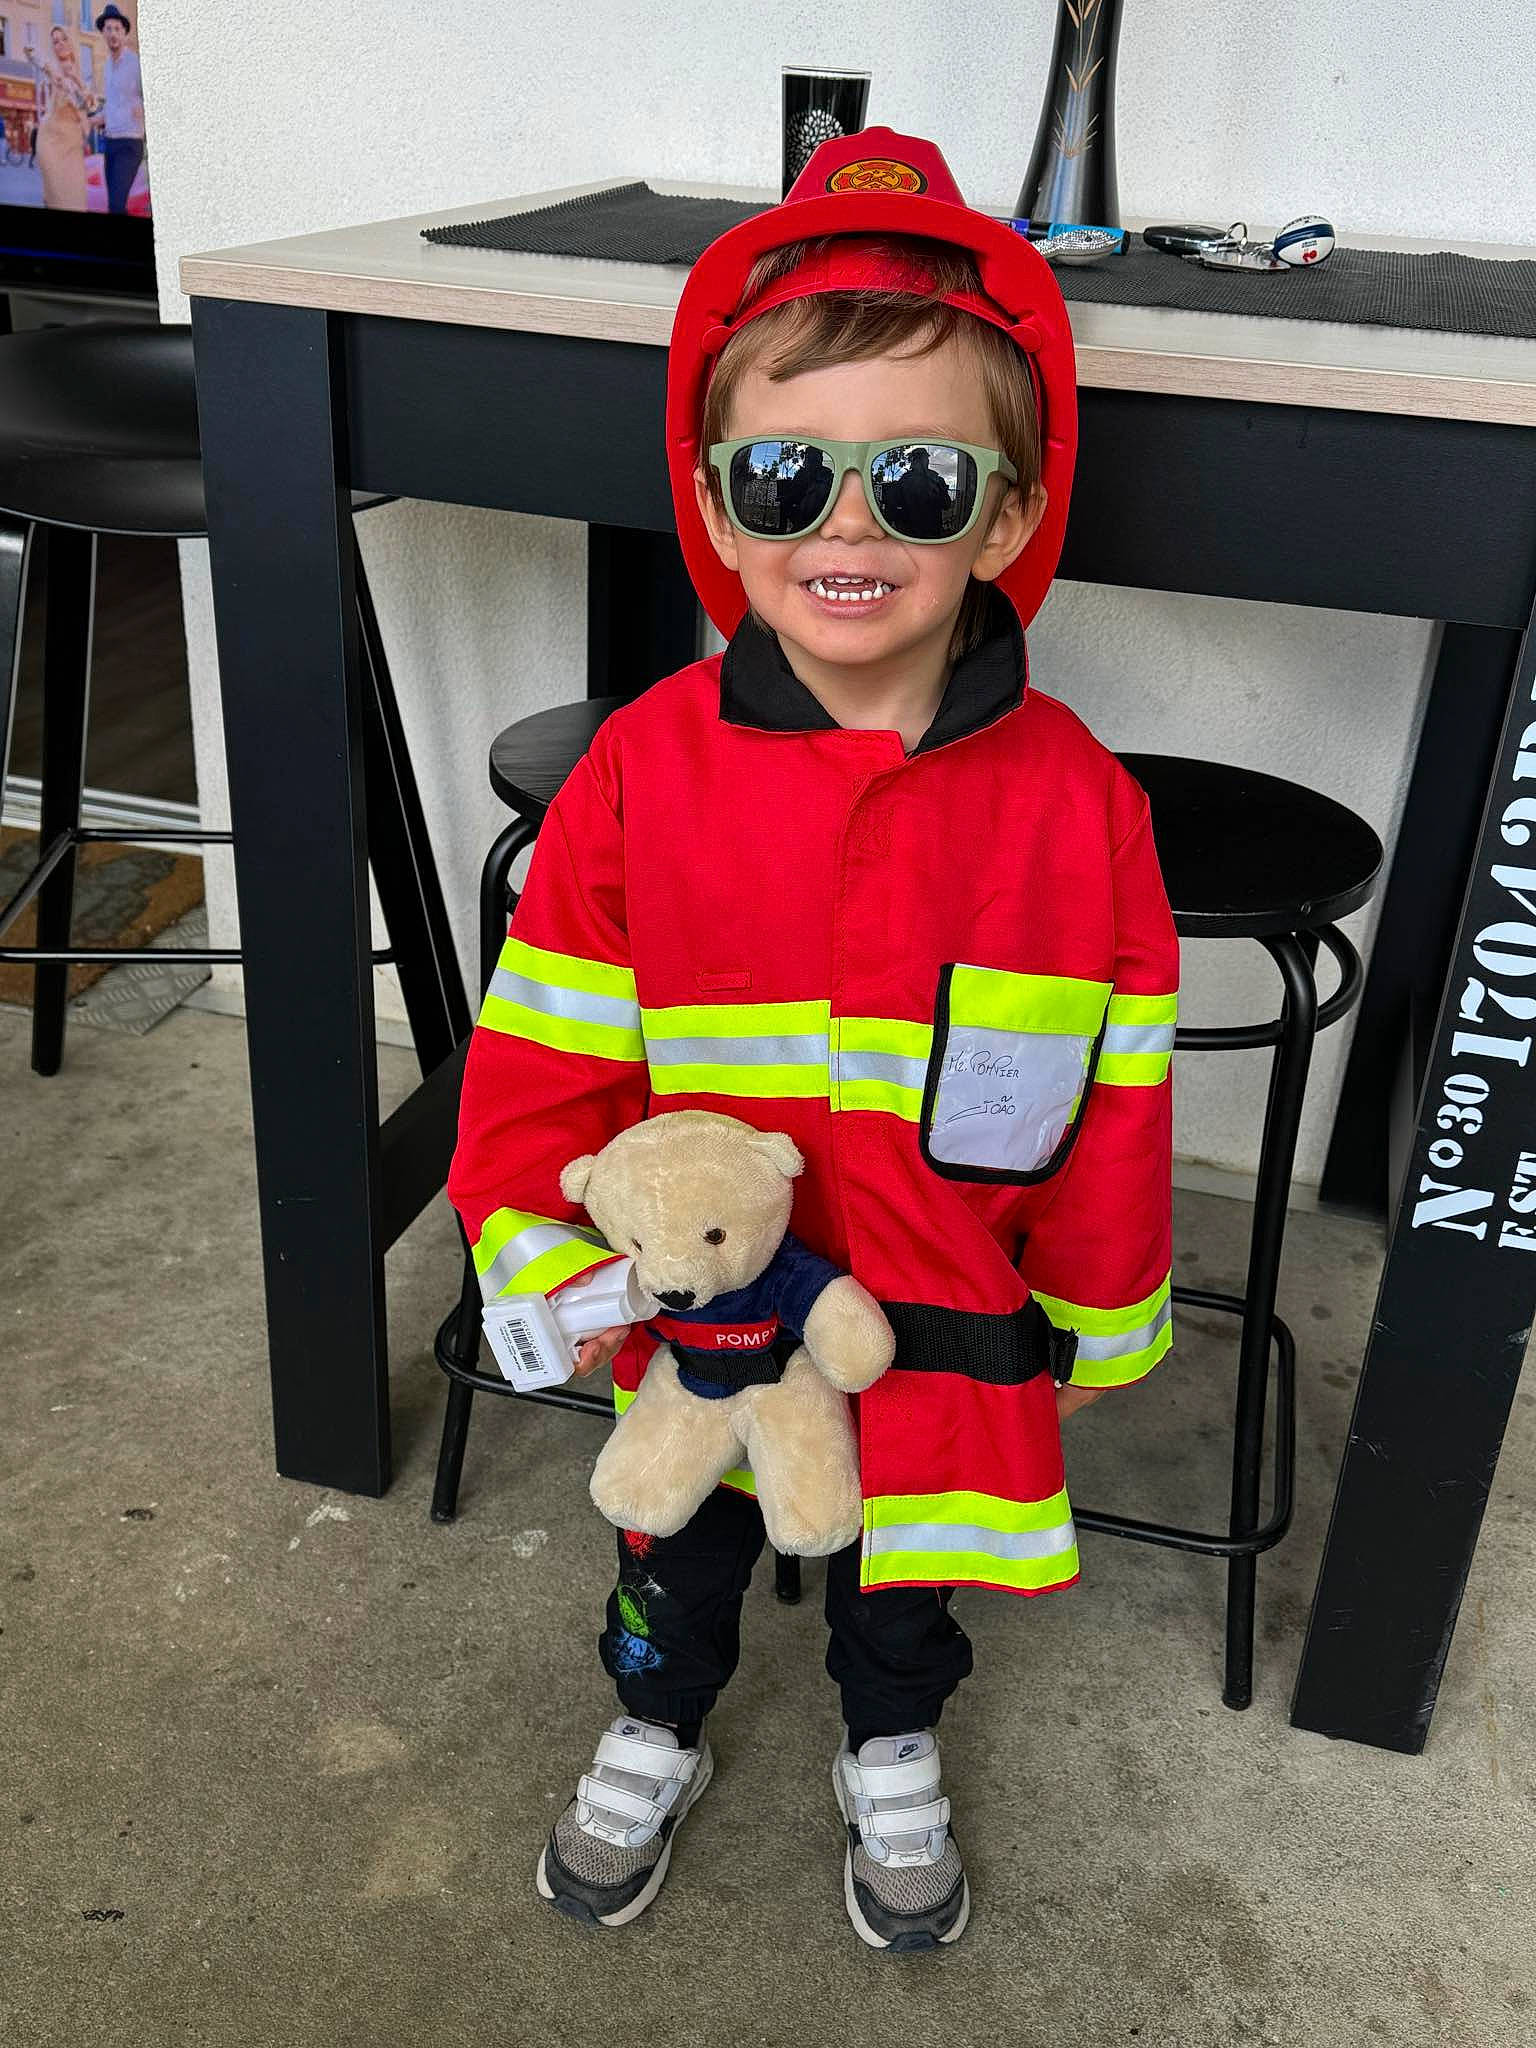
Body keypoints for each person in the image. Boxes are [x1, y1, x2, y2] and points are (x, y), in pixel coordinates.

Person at [446, 126, 1178, 1950]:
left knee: (902, 1588)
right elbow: (541, 1065)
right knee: (667, 1559)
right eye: (787, 473)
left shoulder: (1078, 806)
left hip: (933, 1327)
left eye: (918, 481)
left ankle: (892, 1738)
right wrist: (539, 1250)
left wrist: (1090, 1309)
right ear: (714, 498)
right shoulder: (639, 777)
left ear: (1005, 514)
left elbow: (1119, 1103)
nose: (846, 528)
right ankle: (653, 1718)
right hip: (696, 1325)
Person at [91, 5, 143, 215]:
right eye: (108, 29)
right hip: (110, 143)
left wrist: (144, 108)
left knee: (116, 204)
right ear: (103, 33)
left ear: (124, 33)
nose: (112, 33)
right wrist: (92, 120)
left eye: (117, 29)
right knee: (114, 205)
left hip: (130, 143)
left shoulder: (136, 64)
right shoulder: (106, 68)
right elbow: (112, 107)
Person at [35, 25, 93, 212]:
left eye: (63, 39)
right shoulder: (51, 67)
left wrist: (76, 79)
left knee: (75, 199)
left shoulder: (81, 72)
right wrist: (51, 72)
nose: (60, 44)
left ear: (71, 41)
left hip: (72, 145)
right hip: (50, 141)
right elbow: (29, 51)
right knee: (55, 198)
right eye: (55, 41)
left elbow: (89, 106)